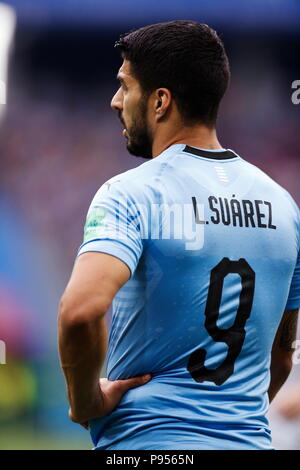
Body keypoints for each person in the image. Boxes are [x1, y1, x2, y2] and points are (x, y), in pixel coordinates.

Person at [58, 21, 300, 450]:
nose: (115, 101)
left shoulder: (132, 193)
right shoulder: (284, 206)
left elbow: (80, 311)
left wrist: (86, 401)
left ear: (160, 101)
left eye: (125, 86)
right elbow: (282, 354)